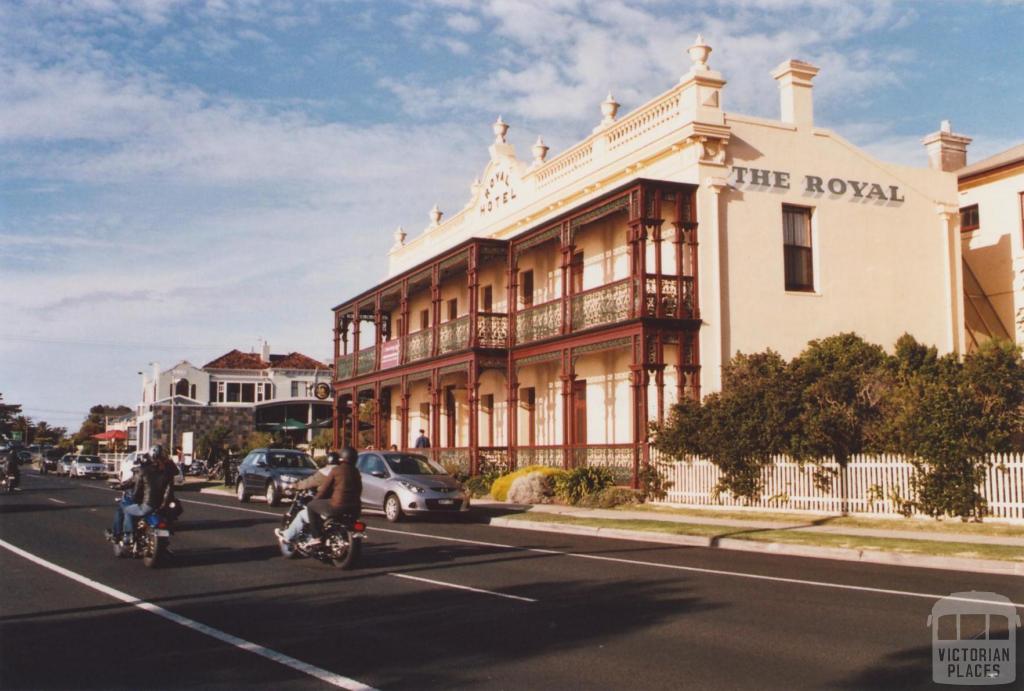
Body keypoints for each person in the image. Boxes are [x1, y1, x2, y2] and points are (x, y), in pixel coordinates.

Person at [276, 447, 361, 547]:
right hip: (354, 508)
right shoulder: (356, 472)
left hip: (336, 505)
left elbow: (323, 488)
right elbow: (359, 489)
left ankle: (317, 537)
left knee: (311, 506)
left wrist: (316, 499)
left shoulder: (334, 471)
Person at [106, 445, 173, 543]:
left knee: (125, 508)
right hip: (163, 506)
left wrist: (130, 495)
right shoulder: (167, 472)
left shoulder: (143, 471)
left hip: (148, 505)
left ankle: (128, 535)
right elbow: (169, 489)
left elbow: (135, 487)